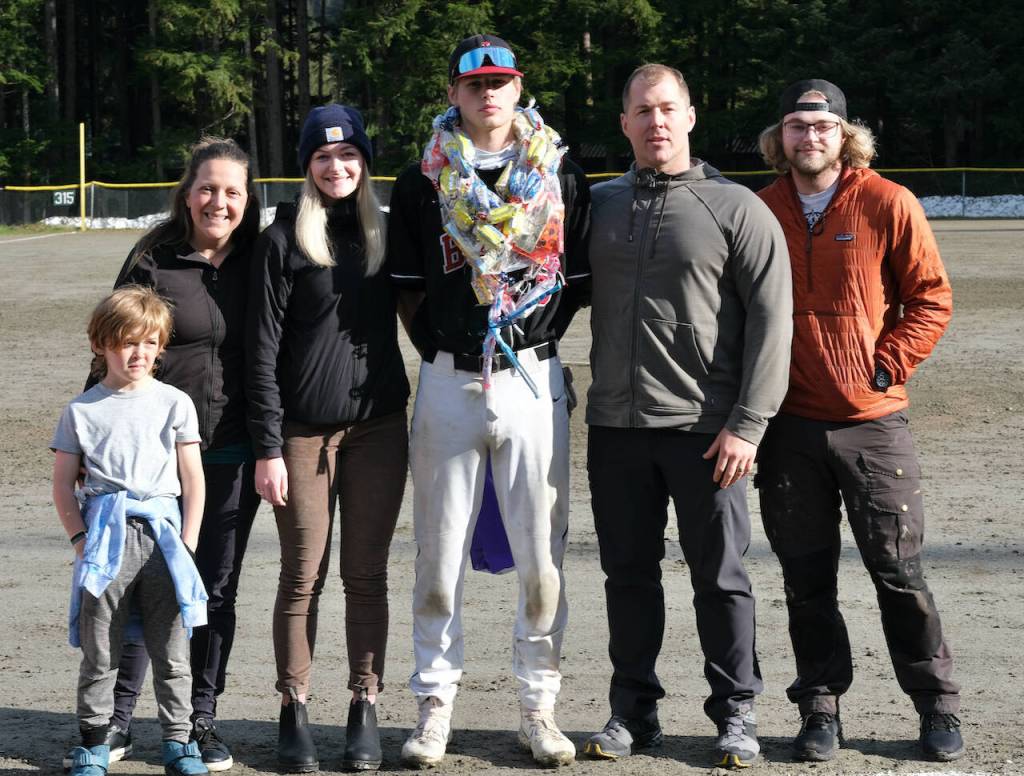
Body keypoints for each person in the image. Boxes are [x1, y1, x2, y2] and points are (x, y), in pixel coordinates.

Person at [387, 34, 591, 769]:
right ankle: (434, 703)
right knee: (437, 559)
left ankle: (539, 706)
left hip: (534, 381)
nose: (488, 95)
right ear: (454, 94)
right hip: (448, 380)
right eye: (474, 85)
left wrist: (525, 341)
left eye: (500, 82)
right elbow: (407, 291)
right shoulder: (422, 181)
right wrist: (450, 355)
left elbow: (578, 285)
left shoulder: (561, 174)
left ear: (519, 87)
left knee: (543, 557)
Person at [582, 63, 792, 769]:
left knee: (721, 578)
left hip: (709, 432)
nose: (656, 122)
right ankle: (632, 711)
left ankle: (735, 712)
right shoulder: (599, 204)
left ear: (691, 116)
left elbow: (773, 322)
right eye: (642, 111)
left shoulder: (737, 208)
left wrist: (749, 424)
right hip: (615, 428)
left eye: (667, 108)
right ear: (624, 124)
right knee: (627, 578)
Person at [755, 79, 962, 762]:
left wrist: (885, 366)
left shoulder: (886, 202)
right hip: (789, 426)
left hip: (873, 424)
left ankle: (936, 706)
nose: (808, 137)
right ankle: (819, 708)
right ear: (779, 138)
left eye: (821, 125)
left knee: (898, 572)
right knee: (804, 579)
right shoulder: (760, 211)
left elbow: (930, 298)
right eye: (795, 125)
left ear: (843, 134)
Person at [61, 137, 263, 773]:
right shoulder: (154, 257)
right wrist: (98, 441)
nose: (219, 201)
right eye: (207, 188)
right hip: (149, 463)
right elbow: (113, 341)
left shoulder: (262, 257)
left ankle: (198, 720)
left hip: (229, 447)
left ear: (248, 198)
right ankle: (118, 718)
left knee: (210, 589)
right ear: (186, 192)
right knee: (126, 594)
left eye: (233, 191)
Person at [247, 104, 410, 773]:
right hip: (302, 435)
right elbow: (259, 351)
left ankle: (364, 702)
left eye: (348, 157)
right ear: (308, 165)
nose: (336, 167)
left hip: (378, 429)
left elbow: (427, 315)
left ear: (364, 162)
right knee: (301, 577)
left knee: (366, 576)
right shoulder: (282, 236)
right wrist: (266, 446)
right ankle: (294, 705)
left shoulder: (388, 234)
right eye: (322, 156)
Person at [52, 286, 209, 776]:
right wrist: (81, 542)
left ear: (161, 346)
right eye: (124, 342)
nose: (136, 353)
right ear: (101, 345)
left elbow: (193, 478)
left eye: (148, 342)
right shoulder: (82, 411)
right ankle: (94, 742)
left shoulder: (175, 403)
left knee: (172, 647)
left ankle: (179, 742)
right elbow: (62, 487)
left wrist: (188, 540)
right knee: (101, 649)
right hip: (106, 540)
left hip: (164, 538)